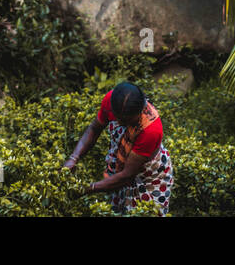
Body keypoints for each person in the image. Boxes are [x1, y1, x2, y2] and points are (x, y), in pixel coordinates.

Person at [62, 81, 174, 215]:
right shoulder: (111, 100)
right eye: (118, 118)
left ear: (140, 111)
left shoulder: (151, 130)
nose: (120, 123)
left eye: (127, 121)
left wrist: (88, 188)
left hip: (149, 174)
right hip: (121, 168)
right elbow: (94, 128)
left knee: (148, 212)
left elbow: (127, 175)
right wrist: (73, 158)